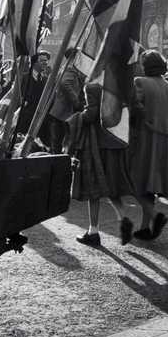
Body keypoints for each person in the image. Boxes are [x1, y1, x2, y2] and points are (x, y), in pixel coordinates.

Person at [66, 82, 136, 248]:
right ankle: (124, 219)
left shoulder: (92, 86)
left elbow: (91, 114)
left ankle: (93, 232)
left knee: (94, 189)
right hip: (114, 143)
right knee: (112, 187)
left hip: (96, 145)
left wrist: (75, 118)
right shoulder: (115, 84)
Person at [129, 50, 168, 240]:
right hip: (164, 141)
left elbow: (133, 108)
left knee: (132, 181)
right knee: (151, 184)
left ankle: (156, 217)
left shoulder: (140, 82)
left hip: (143, 139)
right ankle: (145, 227)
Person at [48, 47, 85, 154]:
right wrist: (76, 102)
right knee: (62, 140)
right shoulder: (70, 69)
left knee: (59, 141)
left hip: (62, 110)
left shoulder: (68, 68)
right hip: (64, 111)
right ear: (74, 57)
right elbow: (65, 84)